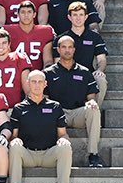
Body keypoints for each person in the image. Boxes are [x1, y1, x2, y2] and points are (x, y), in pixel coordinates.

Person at [7, 69, 73, 183]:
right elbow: (13, 135)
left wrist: (64, 139)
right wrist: (15, 140)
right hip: (28, 154)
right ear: (28, 84)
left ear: (45, 84)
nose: (37, 85)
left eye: (40, 82)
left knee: (65, 146)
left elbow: (63, 133)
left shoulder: (55, 107)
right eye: (33, 82)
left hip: (48, 154)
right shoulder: (19, 109)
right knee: (14, 146)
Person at [45, 35, 105, 168]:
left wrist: (92, 103)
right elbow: (45, 98)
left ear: (74, 50)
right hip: (59, 114)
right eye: (64, 47)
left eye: (70, 47)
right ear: (58, 50)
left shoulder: (84, 72)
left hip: (78, 113)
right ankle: (48, 152)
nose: (67, 50)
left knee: (93, 109)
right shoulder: (48, 73)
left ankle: (93, 154)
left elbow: (91, 96)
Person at [56, 1, 108, 103]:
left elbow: (101, 59)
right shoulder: (61, 38)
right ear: (69, 17)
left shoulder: (94, 37)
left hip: (88, 74)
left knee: (101, 80)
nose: (78, 18)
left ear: (86, 17)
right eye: (75, 15)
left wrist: (100, 70)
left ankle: (94, 111)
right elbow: (57, 62)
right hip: (67, 73)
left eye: (81, 15)